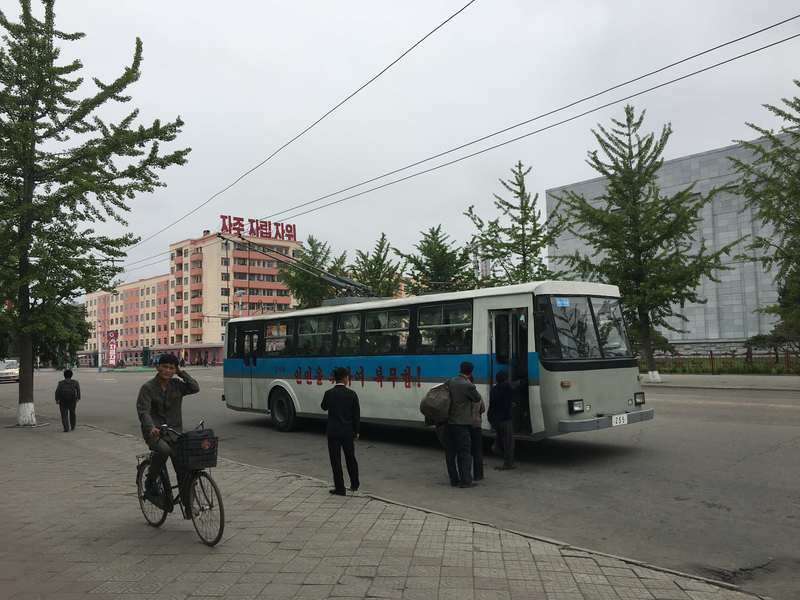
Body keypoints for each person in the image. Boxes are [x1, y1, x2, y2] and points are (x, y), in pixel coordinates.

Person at [136, 354, 200, 511]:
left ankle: (188, 505)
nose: (167, 370)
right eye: (164, 366)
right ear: (158, 367)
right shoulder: (148, 388)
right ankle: (150, 480)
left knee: (184, 469)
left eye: (171, 368)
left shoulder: (177, 385)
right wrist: (151, 427)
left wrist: (181, 373)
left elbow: (195, 387)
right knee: (164, 450)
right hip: (154, 432)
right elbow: (143, 411)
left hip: (174, 432)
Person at [321, 367, 360, 496]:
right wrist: (357, 431)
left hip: (333, 432)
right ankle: (354, 484)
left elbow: (323, 407)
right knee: (350, 458)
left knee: (335, 460)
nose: (348, 380)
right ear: (344, 378)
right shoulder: (352, 394)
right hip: (348, 432)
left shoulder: (329, 393)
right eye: (348, 377)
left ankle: (340, 488)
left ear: (335, 378)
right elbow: (356, 415)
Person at [446, 361, 482, 488]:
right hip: (462, 424)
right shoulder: (468, 385)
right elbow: (477, 398)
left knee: (450, 453)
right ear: (471, 371)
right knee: (464, 453)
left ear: (460, 368)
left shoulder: (450, 381)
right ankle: (466, 481)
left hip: (449, 422)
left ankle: (453, 479)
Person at [488, 370, 515, 470]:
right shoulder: (507, 389)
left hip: (495, 419)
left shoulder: (494, 390)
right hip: (505, 420)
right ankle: (508, 463)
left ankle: (496, 448)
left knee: (500, 438)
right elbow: (514, 387)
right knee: (508, 443)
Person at [470, 396, 486, 481]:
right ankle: (479, 475)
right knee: (478, 451)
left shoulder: (463, 395)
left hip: (466, 425)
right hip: (477, 425)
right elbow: (483, 409)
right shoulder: (477, 395)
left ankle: (466, 474)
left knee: (466, 451)